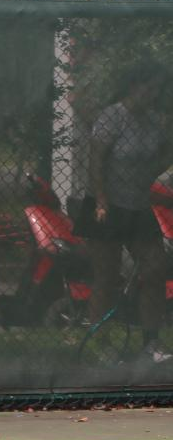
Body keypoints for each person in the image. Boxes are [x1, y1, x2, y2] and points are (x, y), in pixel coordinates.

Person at [81, 62, 173, 363]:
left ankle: (151, 343)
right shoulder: (112, 116)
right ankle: (100, 343)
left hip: (138, 205)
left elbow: (158, 160)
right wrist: (101, 201)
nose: (154, 93)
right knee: (106, 276)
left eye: (158, 89)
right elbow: (96, 160)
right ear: (134, 86)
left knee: (156, 267)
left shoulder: (154, 122)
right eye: (149, 87)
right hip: (107, 205)